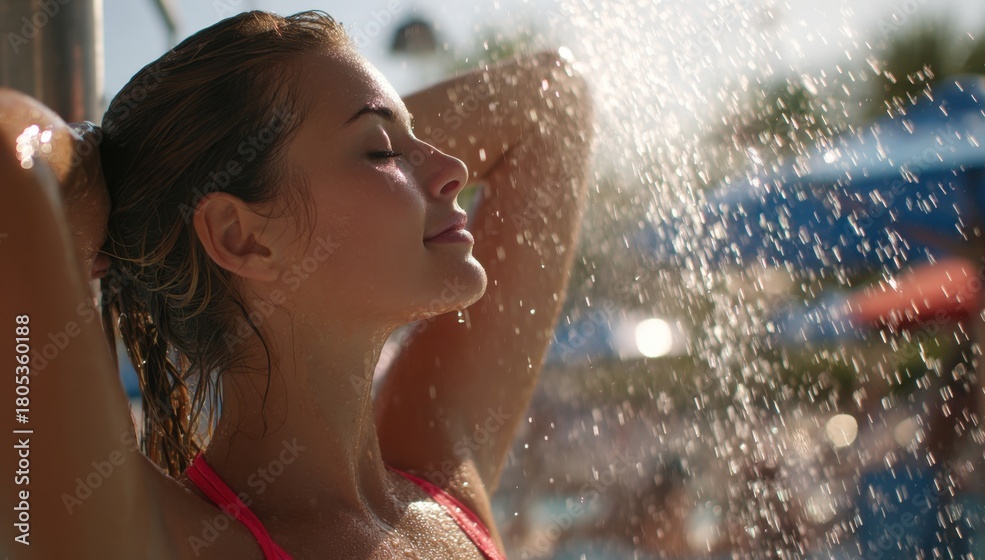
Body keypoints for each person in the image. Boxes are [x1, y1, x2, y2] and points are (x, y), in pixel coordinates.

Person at [0, 10, 591, 559]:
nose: (455, 168)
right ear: (242, 237)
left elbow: (553, 101)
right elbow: (10, 154)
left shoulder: (440, 481)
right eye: (381, 151)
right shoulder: (170, 539)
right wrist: (104, 179)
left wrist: (160, 191)